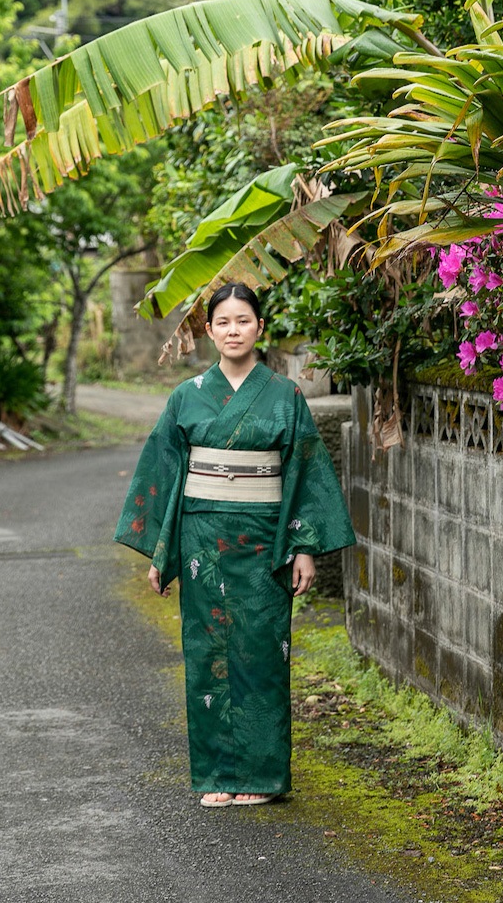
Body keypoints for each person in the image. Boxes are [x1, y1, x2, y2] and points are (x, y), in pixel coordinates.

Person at [114, 281, 356, 807]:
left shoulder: (285, 395)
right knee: (208, 654)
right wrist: (164, 552)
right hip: (202, 537)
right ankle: (219, 775)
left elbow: (305, 471)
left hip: (265, 539)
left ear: (260, 328)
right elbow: (166, 475)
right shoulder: (188, 394)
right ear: (209, 330)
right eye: (222, 322)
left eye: (243, 321)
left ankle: (262, 777)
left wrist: (305, 547)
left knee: (262, 650)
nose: (233, 330)